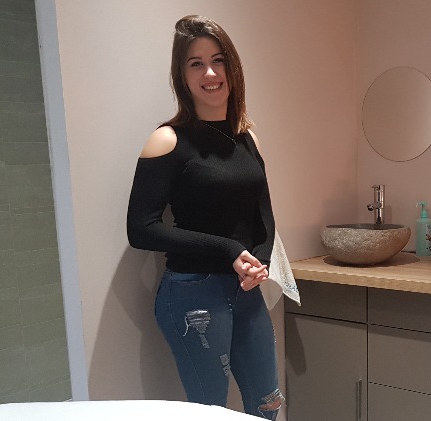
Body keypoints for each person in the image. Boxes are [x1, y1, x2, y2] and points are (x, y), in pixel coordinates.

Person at [126, 15, 283, 420]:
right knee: (211, 413)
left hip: (245, 289)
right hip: (192, 293)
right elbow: (141, 229)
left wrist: (260, 260)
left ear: (233, 67)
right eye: (196, 63)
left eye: (218, 60)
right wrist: (229, 250)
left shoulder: (247, 137)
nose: (210, 73)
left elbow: (263, 215)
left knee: (267, 404)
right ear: (182, 76)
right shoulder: (168, 140)